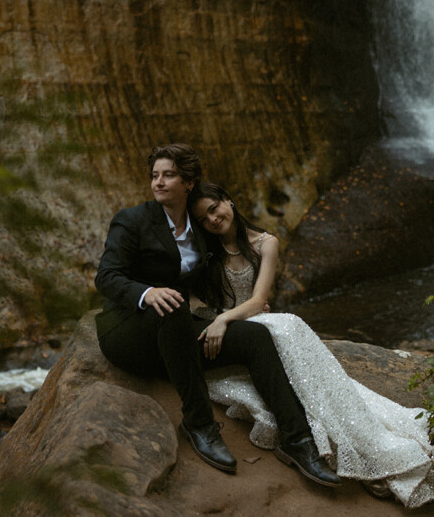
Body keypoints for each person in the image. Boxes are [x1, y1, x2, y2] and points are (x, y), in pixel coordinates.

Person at [94, 144, 339, 486]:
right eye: (154, 176)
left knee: (256, 336)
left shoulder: (200, 230)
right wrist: (147, 293)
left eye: (168, 175)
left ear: (189, 182)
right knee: (174, 302)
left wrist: (237, 310)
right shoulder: (133, 220)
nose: (158, 182)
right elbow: (106, 277)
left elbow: (233, 254)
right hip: (128, 334)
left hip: (177, 336)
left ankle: (296, 441)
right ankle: (199, 423)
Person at [189, 182, 434, 508]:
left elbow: (258, 301)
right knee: (283, 328)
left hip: (249, 320)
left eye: (214, 208)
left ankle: (365, 443)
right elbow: (194, 301)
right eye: (202, 219)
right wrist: (216, 319)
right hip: (236, 334)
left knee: (288, 327)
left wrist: (224, 319)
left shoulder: (266, 243)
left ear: (228, 200)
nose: (212, 219)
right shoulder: (206, 254)